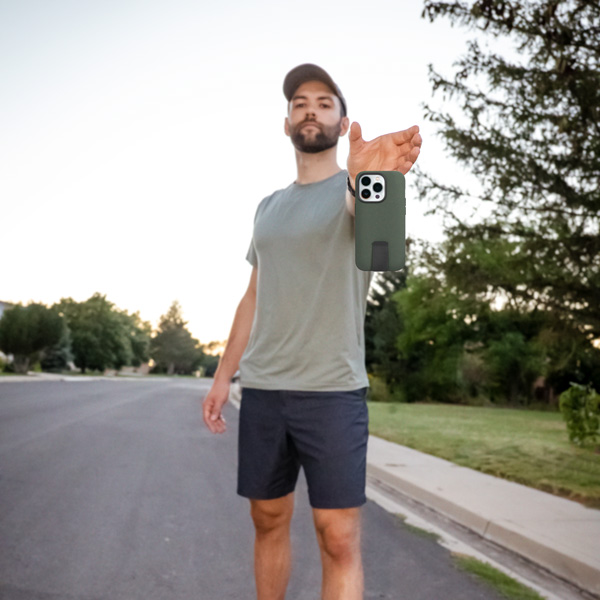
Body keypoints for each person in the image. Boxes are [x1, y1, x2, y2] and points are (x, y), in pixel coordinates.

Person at [202, 63, 421, 600]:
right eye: (300, 102)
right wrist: (222, 376)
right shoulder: (268, 208)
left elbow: (378, 236)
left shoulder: (355, 192)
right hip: (265, 390)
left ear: (343, 122)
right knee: (268, 520)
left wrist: (367, 178)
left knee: (339, 537)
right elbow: (254, 295)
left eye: (324, 102)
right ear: (286, 123)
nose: (310, 109)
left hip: (333, 392)